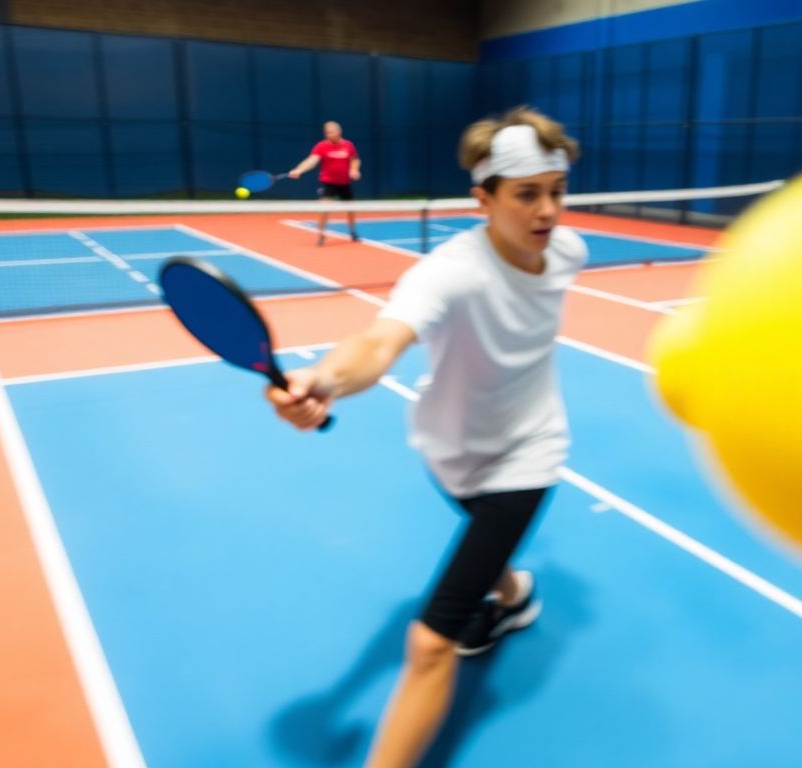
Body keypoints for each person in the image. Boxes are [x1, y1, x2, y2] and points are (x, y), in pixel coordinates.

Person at [266, 106, 584, 768]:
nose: (548, 211)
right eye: (527, 194)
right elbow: (379, 342)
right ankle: (514, 596)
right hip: (448, 446)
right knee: (483, 541)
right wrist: (324, 378)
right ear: (483, 200)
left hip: (528, 454)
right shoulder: (449, 273)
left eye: (557, 191)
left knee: (431, 644)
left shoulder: (568, 253)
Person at [289, 120, 362, 245]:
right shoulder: (321, 146)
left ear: (339, 131)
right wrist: (299, 170)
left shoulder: (348, 145)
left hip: (344, 183)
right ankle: (321, 235)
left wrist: (354, 169)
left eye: (331, 132)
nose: (328, 135)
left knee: (351, 209)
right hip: (329, 183)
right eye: (327, 133)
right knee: (324, 208)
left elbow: (355, 159)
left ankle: (352, 231)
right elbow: (312, 160)